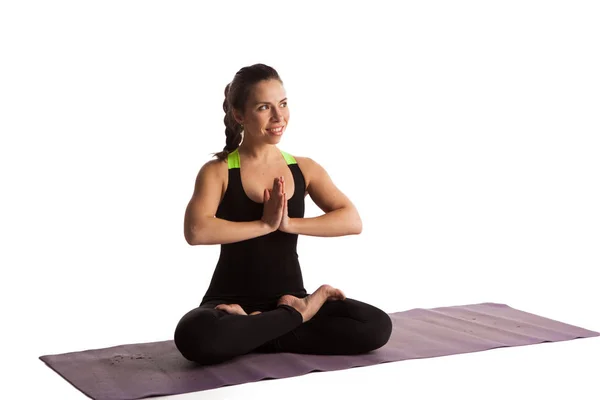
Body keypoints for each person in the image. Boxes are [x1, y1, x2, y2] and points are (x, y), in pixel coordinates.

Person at [174, 63, 392, 366]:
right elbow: (196, 231)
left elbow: (352, 220)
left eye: (283, 104)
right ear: (240, 115)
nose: (279, 118)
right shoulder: (219, 171)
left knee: (375, 326)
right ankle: (294, 317)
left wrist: (288, 224)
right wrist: (264, 224)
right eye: (265, 107)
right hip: (229, 302)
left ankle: (255, 328)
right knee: (194, 335)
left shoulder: (303, 168)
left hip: (289, 295)